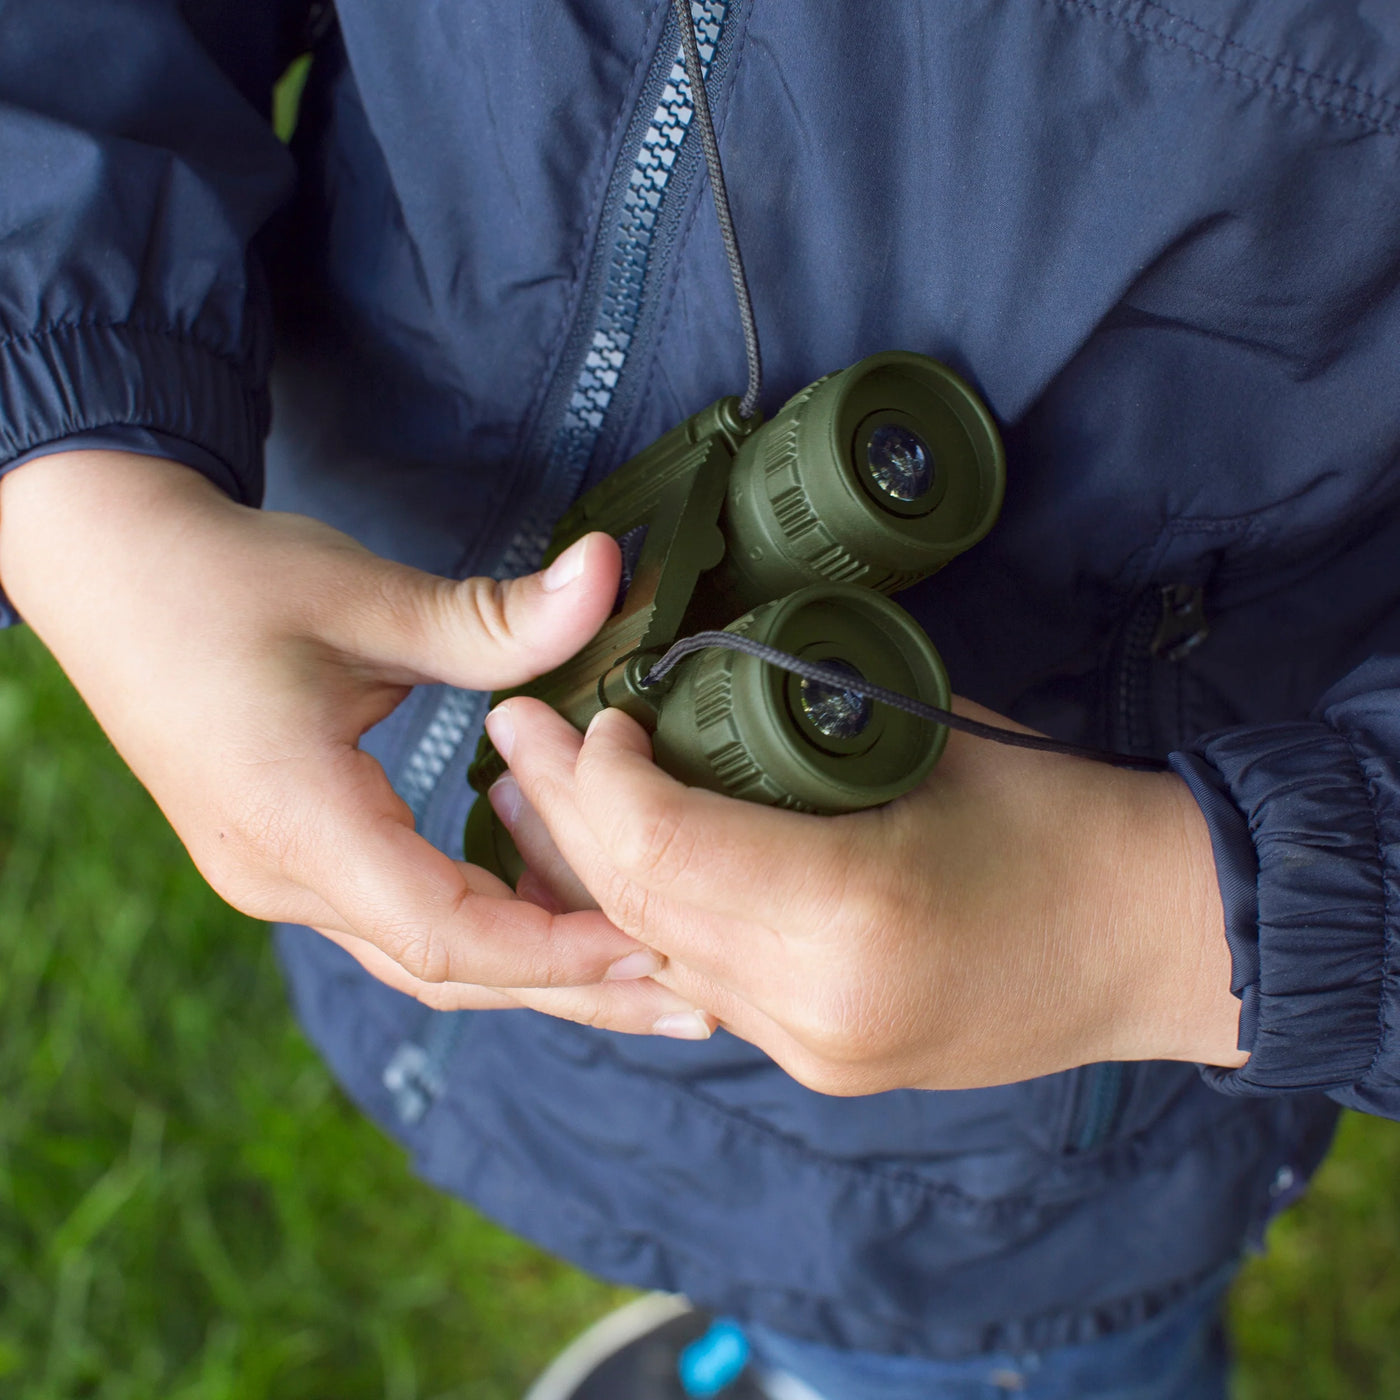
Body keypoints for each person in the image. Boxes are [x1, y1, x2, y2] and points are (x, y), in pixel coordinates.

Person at [2, 1, 1397, 1395]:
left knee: (943, 1351)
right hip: (390, 551)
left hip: (1003, 1120)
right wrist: (81, 488)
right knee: (741, 1227)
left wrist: (1163, 925)